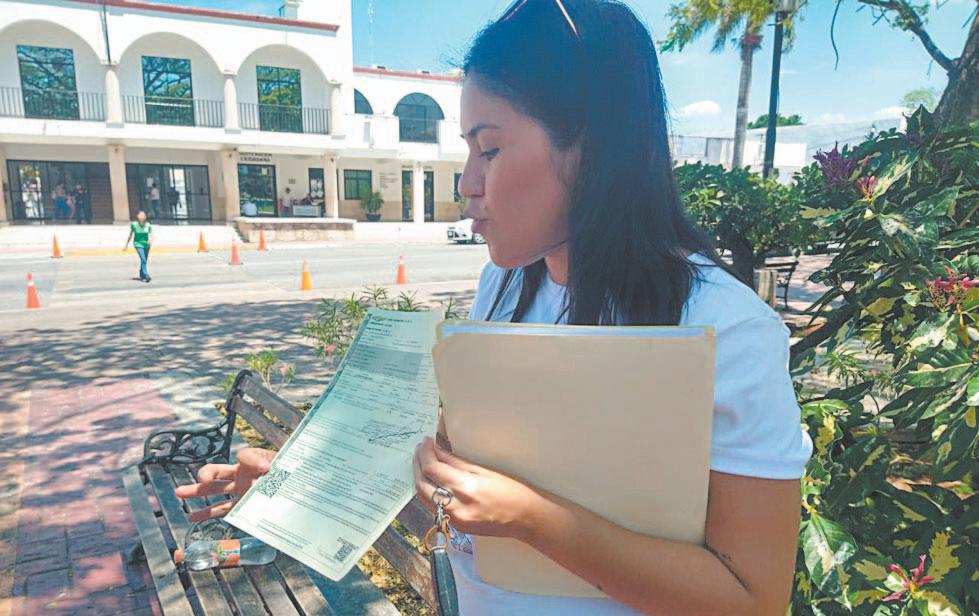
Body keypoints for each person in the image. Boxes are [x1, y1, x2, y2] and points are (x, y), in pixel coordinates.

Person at [175, 2, 812, 614]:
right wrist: (306, 488)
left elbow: (752, 601)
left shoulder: (726, 330)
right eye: (467, 150)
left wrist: (534, 520)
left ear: (593, 147)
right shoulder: (505, 288)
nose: (467, 184)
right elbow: (456, 489)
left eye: (489, 149)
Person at [123, 210, 153, 282]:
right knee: (143, 259)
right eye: (141, 215)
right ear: (138, 216)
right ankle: (146, 274)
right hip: (138, 244)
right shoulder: (134, 225)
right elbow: (130, 235)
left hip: (146, 245)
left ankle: (141, 273)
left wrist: (150, 240)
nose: (142, 217)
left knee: (144, 260)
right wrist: (126, 245)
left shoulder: (147, 225)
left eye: (143, 215)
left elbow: (150, 234)